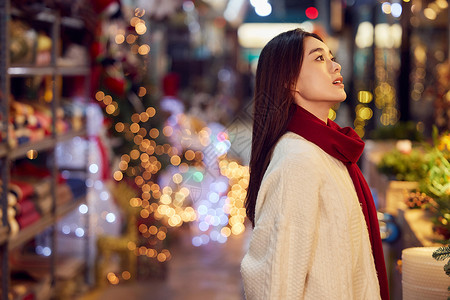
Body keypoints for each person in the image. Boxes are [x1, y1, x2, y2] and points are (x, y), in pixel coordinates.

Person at [240, 28, 389, 300]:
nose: (335, 65)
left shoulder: (327, 148)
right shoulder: (297, 160)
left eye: (331, 56)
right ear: (290, 82)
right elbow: (277, 285)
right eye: (319, 58)